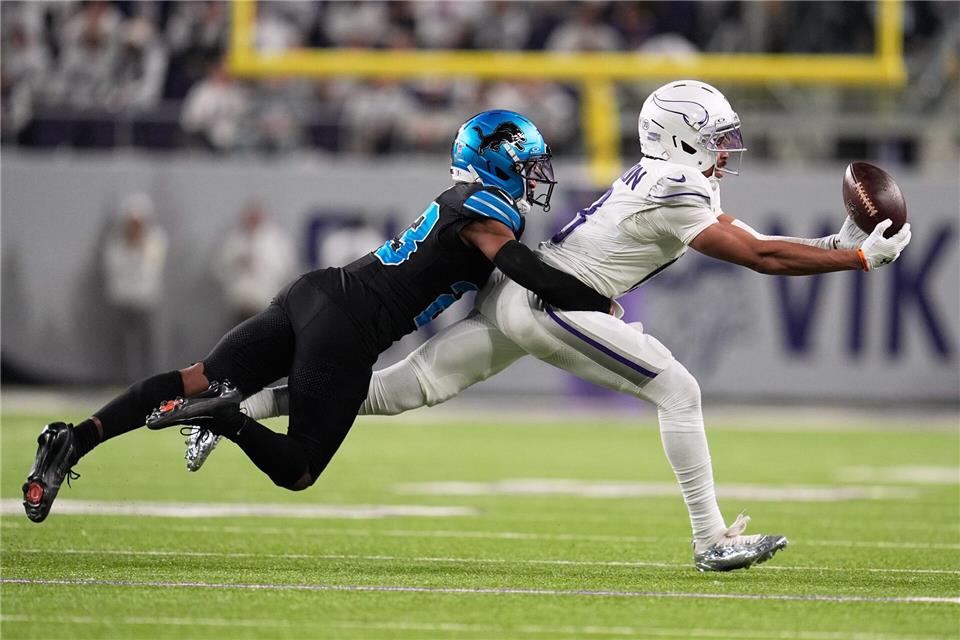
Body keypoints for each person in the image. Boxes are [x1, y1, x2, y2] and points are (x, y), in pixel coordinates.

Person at [196, 81, 912, 571]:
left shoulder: (670, 180)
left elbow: (756, 241)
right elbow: (757, 256)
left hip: (523, 294)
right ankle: (710, 538)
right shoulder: (677, 186)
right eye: (716, 138)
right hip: (549, 302)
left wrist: (838, 242)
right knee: (679, 389)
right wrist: (854, 258)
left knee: (395, 390)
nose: (727, 150)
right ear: (683, 139)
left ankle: (233, 409)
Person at [21, 110, 612, 525]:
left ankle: (74, 438)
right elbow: (526, 271)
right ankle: (227, 418)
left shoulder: (459, 200)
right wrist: (597, 299)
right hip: (350, 328)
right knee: (299, 468)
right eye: (528, 163)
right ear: (496, 162)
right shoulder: (485, 211)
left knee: (194, 377)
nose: (536, 176)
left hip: (315, 292)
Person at [102, 194, 169, 380]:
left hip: (145, 300)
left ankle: (150, 378)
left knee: (147, 344)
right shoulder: (116, 242)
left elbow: (151, 267)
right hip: (122, 299)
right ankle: (118, 378)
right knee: (119, 343)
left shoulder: (156, 240)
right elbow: (113, 268)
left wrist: (137, 248)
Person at [213, 199, 297, 326]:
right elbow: (219, 267)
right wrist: (237, 263)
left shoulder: (277, 239)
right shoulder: (234, 238)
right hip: (239, 303)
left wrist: (260, 265)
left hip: (265, 302)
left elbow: (286, 269)